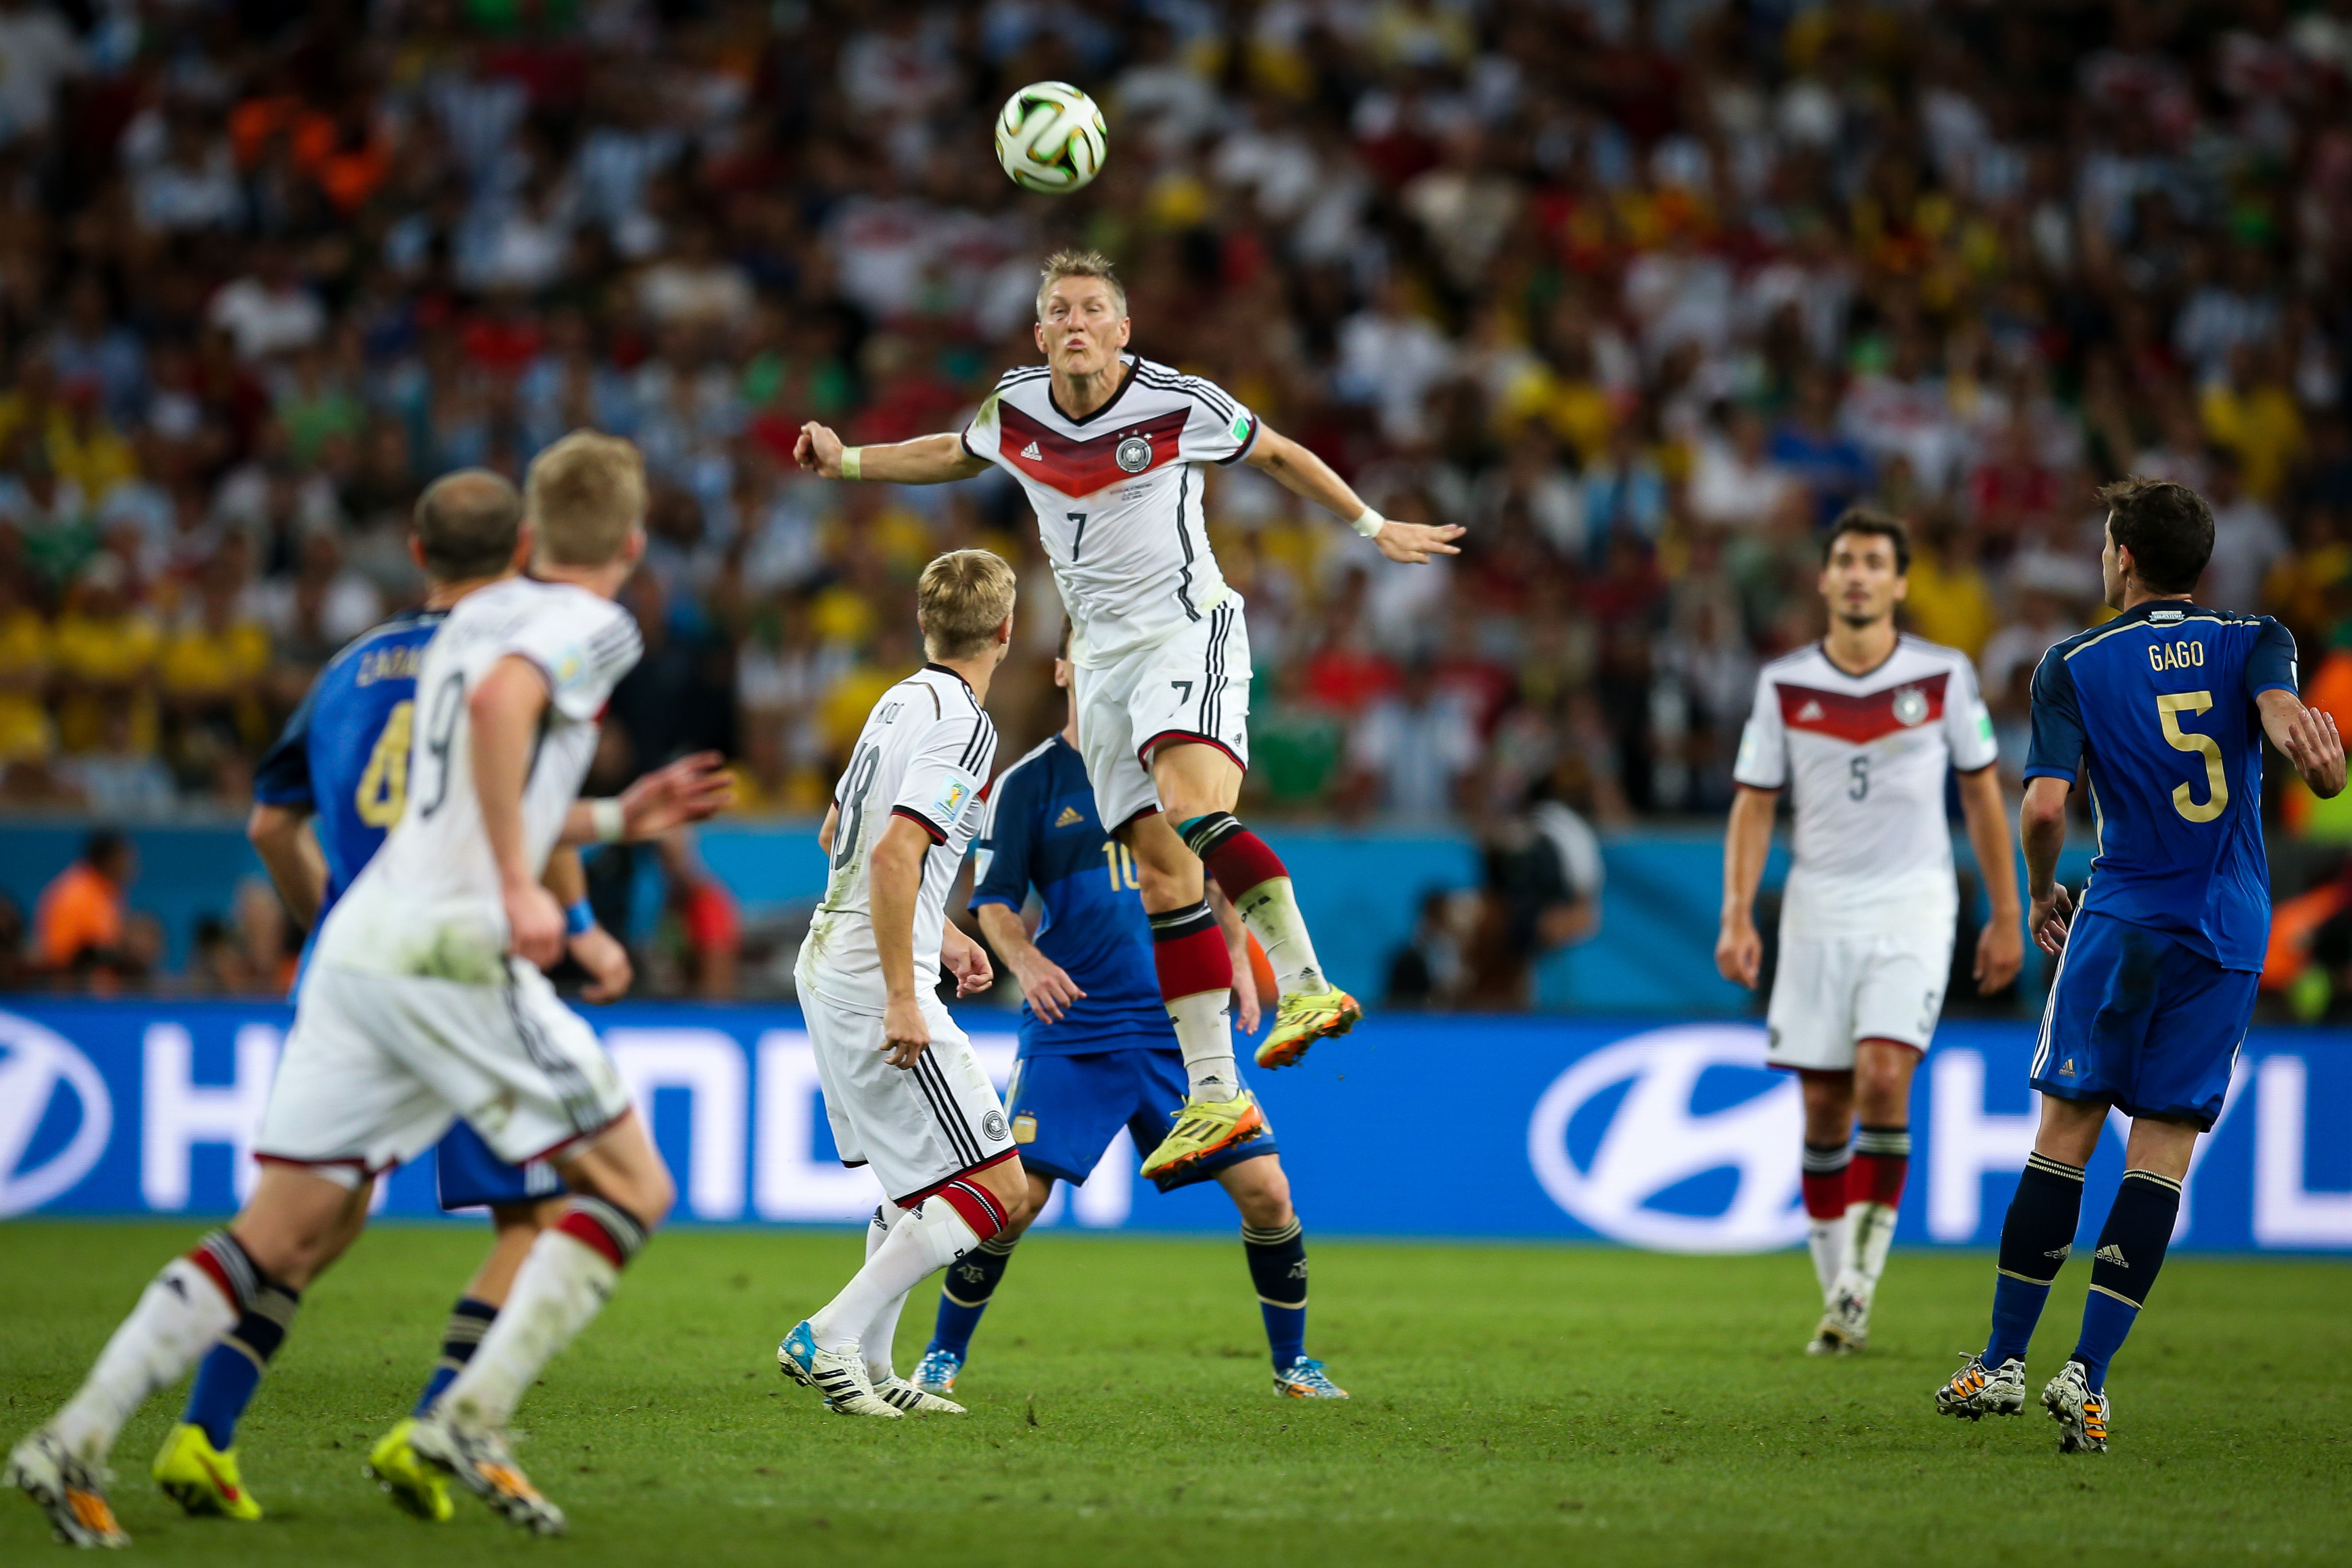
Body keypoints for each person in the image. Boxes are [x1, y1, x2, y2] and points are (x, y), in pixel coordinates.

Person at [7, 432, 684, 1543]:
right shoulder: (589, 624)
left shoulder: (446, 629)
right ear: (634, 538)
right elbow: (506, 711)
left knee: (275, 1232)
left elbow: (438, 778)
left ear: (526, 530)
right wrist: (527, 889)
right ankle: (465, 1418)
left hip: (356, 939)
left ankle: (72, 1438)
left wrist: (615, 817)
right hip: (455, 946)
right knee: (633, 1184)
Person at [793, 250, 1462, 1183]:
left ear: (1121, 329)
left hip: (1185, 627)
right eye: (1059, 308)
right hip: (1099, 655)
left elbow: (1274, 452)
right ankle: (1216, 1093)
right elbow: (953, 451)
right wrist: (851, 459)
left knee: (1192, 804)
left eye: (1093, 308)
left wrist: (1369, 524)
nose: (1075, 321)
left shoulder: (1177, 402)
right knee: (1162, 875)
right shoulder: (1015, 409)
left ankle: (1306, 981)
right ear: (1040, 333)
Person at [1936, 477, 2344, 1452]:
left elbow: (2042, 809)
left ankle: (2000, 1362)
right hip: (2229, 927)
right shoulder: (2257, 637)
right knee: (2160, 1149)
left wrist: (2041, 892)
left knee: (2066, 1134)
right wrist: (2323, 767)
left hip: (2122, 915)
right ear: (2199, 563)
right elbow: (2290, 723)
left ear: (2121, 555)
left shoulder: (2073, 661)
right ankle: (2089, 1377)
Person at [911, 625, 1346, 1402]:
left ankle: (1295, 1367)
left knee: (1269, 1193)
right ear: (1064, 670)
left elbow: (1220, 875)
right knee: (1017, 1201)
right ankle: (942, 1355)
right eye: (1094, 653)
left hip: (1178, 1037)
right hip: (1075, 1032)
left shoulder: (1175, 765)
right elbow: (995, 903)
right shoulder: (1030, 783)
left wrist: (1243, 966)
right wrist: (1030, 961)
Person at [1717, 509, 2025, 1356]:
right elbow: (1753, 804)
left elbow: (1982, 799)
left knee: (1884, 1078)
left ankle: (1859, 1285)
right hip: (1816, 907)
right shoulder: (1784, 684)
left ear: (1899, 583)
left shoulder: (1945, 676)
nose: (1857, 575)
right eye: (1844, 561)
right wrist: (1738, 912)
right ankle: (1837, 1298)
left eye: (1874, 564)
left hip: (1914, 904)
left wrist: (2006, 911)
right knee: (1822, 1105)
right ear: (1823, 580)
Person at [774, 548, 1017, 1419]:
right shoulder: (966, 722)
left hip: (831, 951)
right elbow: (891, 849)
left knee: (913, 1182)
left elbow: (838, 827)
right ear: (1006, 630)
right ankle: (829, 1331)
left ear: (924, 624)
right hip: (875, 974)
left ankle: (874, 1368)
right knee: (996, 1188)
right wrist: (907, 989)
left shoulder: (895, 699)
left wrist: (943, 935)